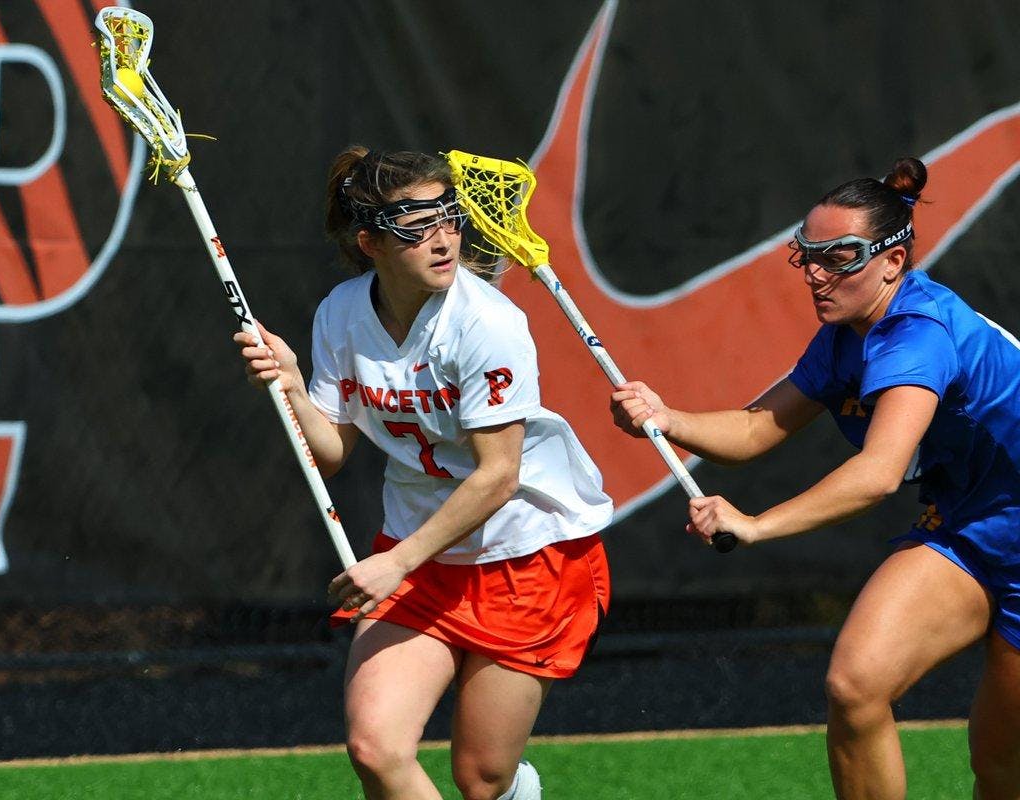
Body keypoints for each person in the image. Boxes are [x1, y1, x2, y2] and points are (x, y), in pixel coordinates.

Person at [610, 157, 1020, 799]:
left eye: (841, 257)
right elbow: (753, 432)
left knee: (1003, 768)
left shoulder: (919, 334)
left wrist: (756, 525)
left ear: (893, 260)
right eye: (808, 257)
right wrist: (666, 418)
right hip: (968, 527)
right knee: (855, 689)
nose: (818, 275)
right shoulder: (843, 337)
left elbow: (878, 475)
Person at [234, 147, 612, 800]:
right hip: (423, 558)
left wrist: (396, 561)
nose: (443, 239)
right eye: (415, 223)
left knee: (481, 779)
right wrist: (293, 387)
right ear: (370, 241)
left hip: (527, 555)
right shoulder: (342, 314)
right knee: (375, 748)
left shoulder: (487, 324)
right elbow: (331, 452)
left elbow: (498, 478)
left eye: (449, 217)